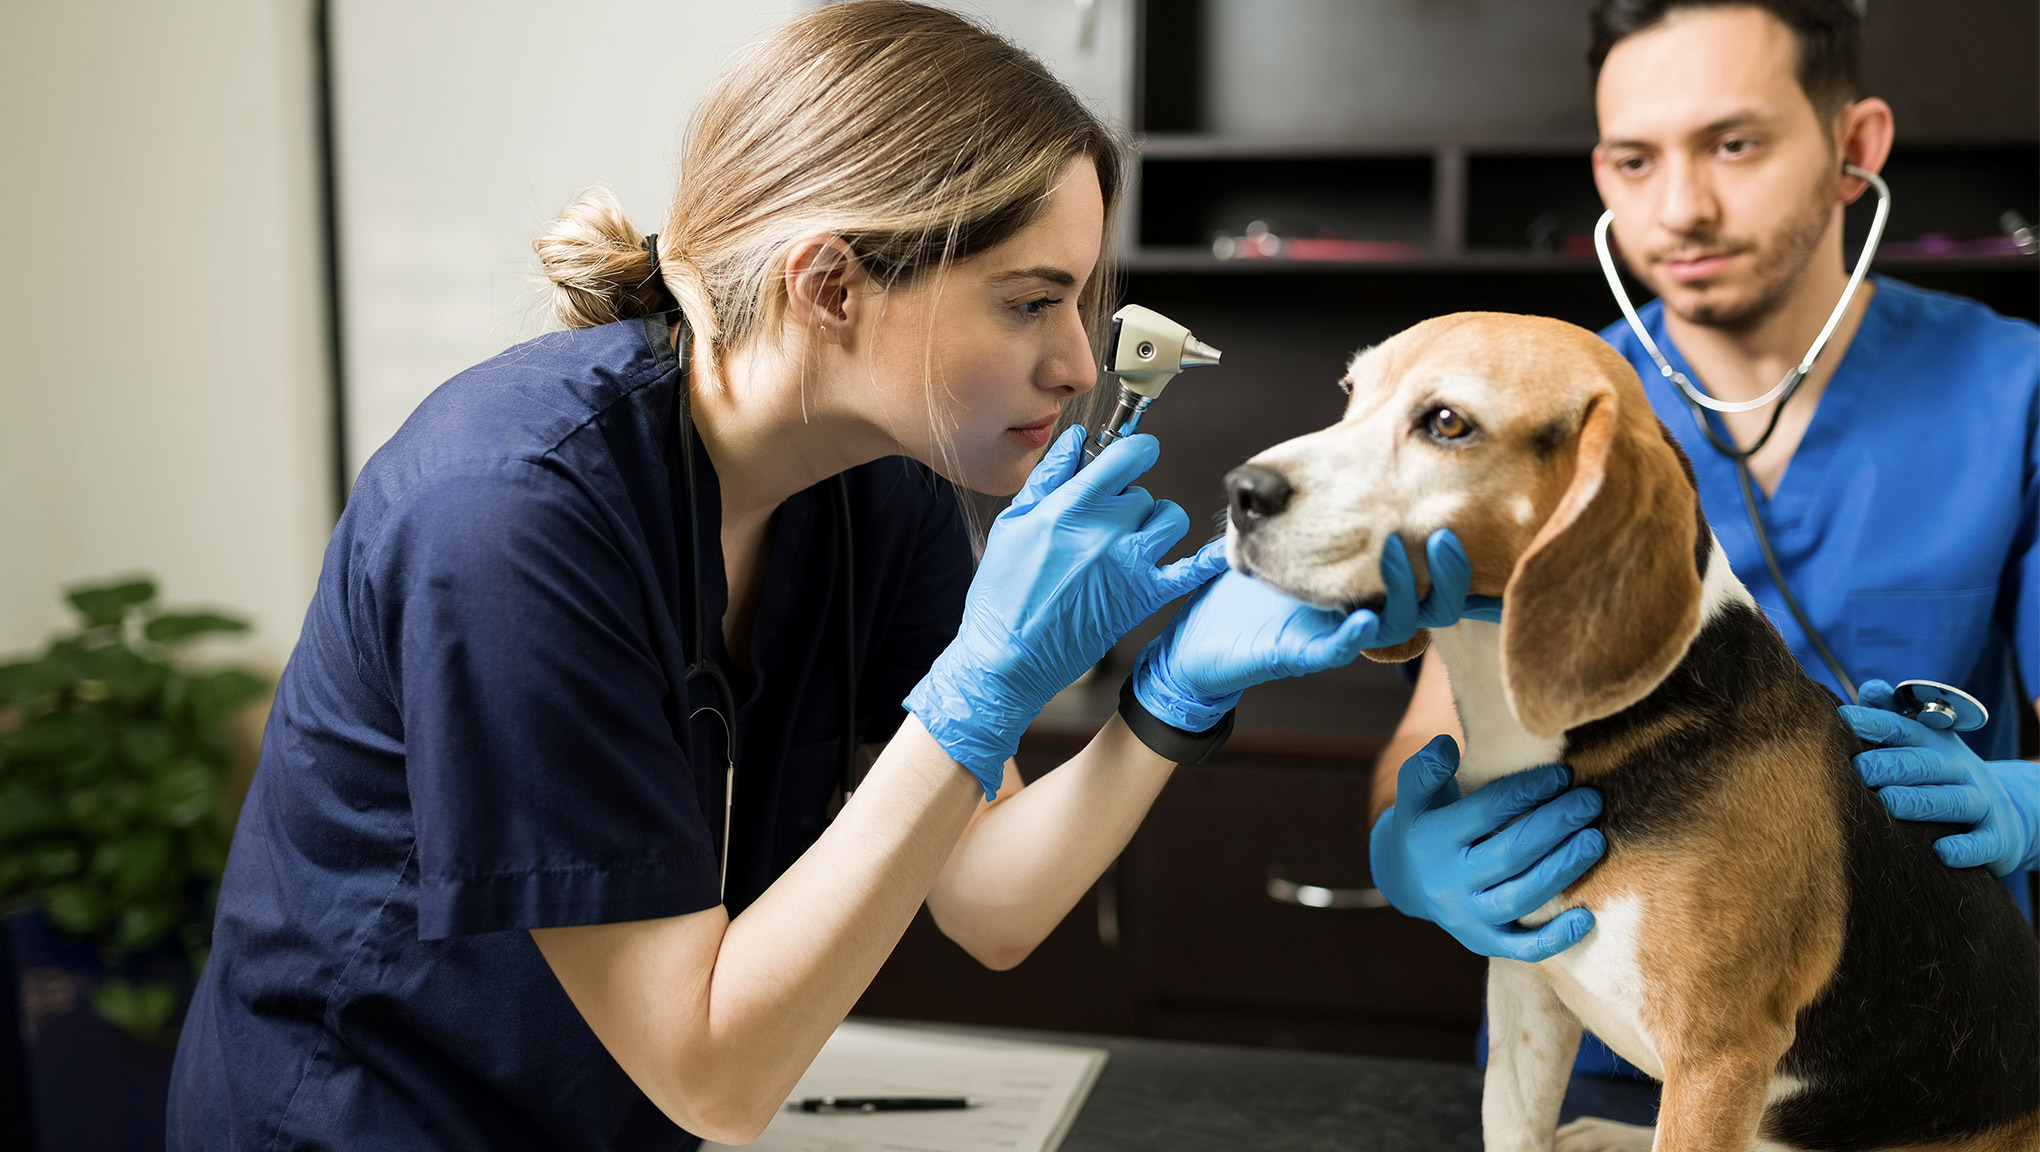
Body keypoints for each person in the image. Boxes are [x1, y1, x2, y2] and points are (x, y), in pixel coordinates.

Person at [167, 4, 1495, 1149]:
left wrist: (1175, 696)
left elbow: (992, 901)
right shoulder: (510, 515)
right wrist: (976, 685)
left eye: (1084, 303)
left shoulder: (877, 478)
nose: (1082, 367)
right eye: (1030, 301)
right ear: (831, 285)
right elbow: (717, 1071)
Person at [1366, 0, 2039, 1096]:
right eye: (1633, 160)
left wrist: (2023, 803)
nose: (1677, 208)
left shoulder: (2010, 391)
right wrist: (1413, 847)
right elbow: (1430, 734)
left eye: (1733, 144)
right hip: (1599, 1058)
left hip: (1894, 1076)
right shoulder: (1538, 409)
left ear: (1851, 149)